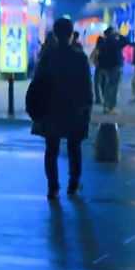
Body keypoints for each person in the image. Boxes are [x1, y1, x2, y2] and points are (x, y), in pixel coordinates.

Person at [26, 17, 93, 200]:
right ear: (71, 34)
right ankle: (73, 183)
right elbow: (87, 87)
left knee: (51, 149)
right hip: (74, 110)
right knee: (74, 147)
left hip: (51, 109)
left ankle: (53, 187)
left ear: (55, 34)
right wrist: (86, 108)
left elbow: (37, 84)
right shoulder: (80, 58)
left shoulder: (48, 58)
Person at [95, 27, 125, 114]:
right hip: (115, 66)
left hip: (107, 67)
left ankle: (106, 105)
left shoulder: (104, 42)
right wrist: (119, 34)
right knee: (113, 87)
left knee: (109, 86)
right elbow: (125, 41)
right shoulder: (115, 42)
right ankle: (110, 107)